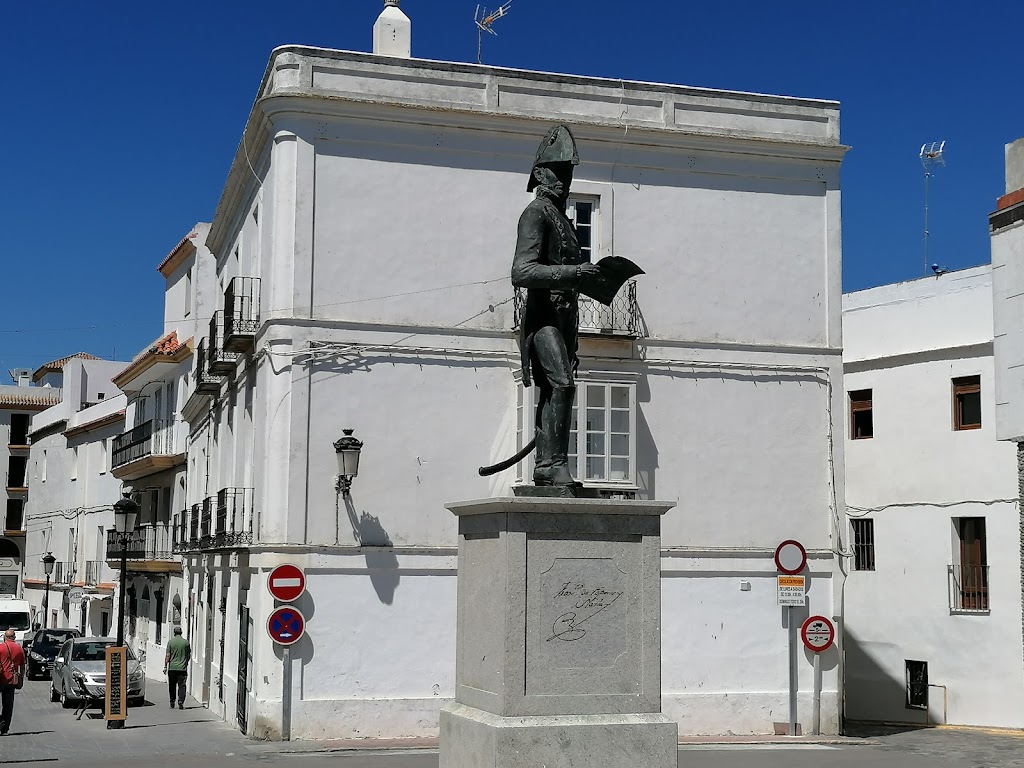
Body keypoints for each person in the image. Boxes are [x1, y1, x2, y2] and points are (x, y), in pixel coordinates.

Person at [511, 124, 601, 487]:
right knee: (562, 385)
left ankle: (548, 464)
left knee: (559, 387)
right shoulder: (535, 213)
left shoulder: (563, 219)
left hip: (564, 319)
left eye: (569, 172)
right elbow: (522, 270)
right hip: (542, 318)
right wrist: (573, 271)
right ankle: (551, 463)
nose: (564, 180)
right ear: (539, 174)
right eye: (558, 172)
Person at [0, 629, 25, 736]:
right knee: (8, 705)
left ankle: (1, 721)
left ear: (4, 637)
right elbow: (22, 666)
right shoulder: (19, 649)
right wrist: (21, 680)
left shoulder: (1, 648)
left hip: (0, 678)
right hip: (12, 681)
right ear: (14, 637)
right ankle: (5, 728)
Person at [164, 626, 191, 710]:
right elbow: (188, 655)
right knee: (182, 686)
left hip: (172, 668)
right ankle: (181, 701)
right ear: (181, 633)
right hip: (182, 668)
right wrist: (185, 663)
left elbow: (168, 655)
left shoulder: (171, 642)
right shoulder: (186, 643)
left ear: (174, 633)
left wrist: (165, 666)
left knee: (172, 686)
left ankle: (172, 701)